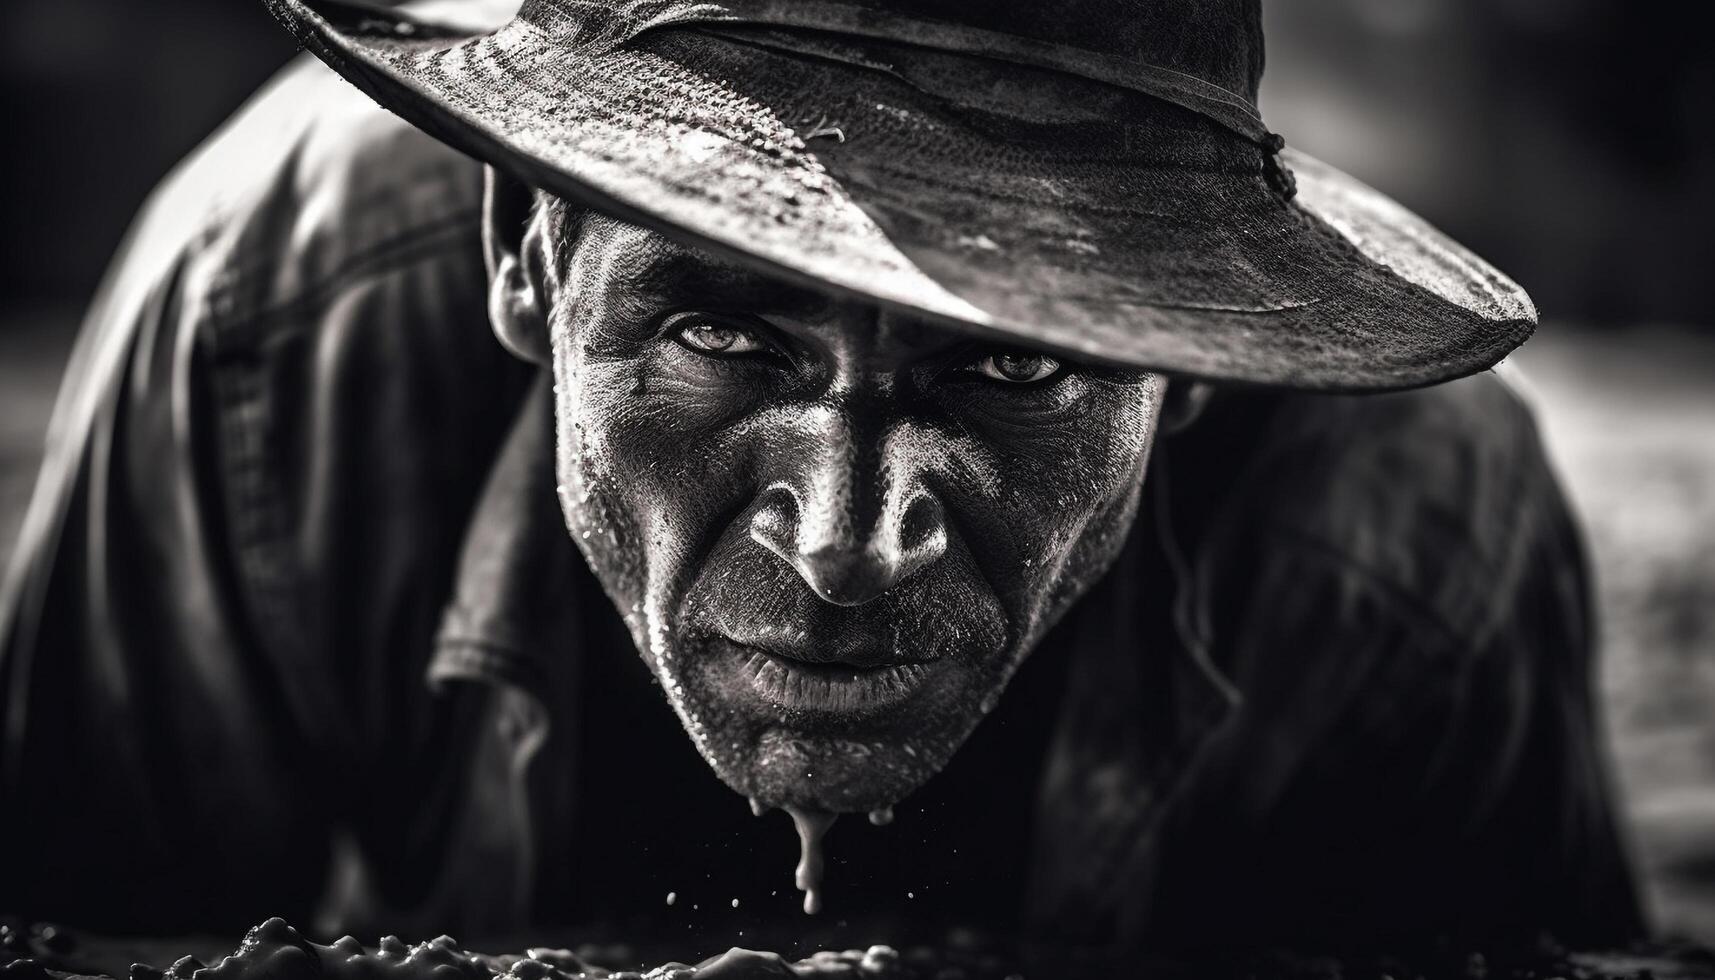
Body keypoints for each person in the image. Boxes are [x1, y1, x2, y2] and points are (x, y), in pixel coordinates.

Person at [0, 0, 1643, 954]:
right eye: (723, 334)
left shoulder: (1411, 541)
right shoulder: (271, 346)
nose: (848, 541)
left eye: (1016, 366)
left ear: (1188, 365)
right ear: (524, 252)